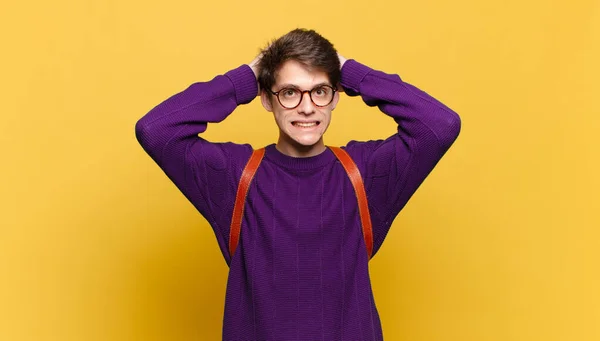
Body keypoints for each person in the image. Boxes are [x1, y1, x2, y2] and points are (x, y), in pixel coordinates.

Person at [135, 28, 461, 340]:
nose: (307, 107)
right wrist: (248, 77)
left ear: (336, 97)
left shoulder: (364, 174)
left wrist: (350, 71)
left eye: (319, 91)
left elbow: (440, 124)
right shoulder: (235, 177)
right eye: (289, 92)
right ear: (266, 99)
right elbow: (156, 129)